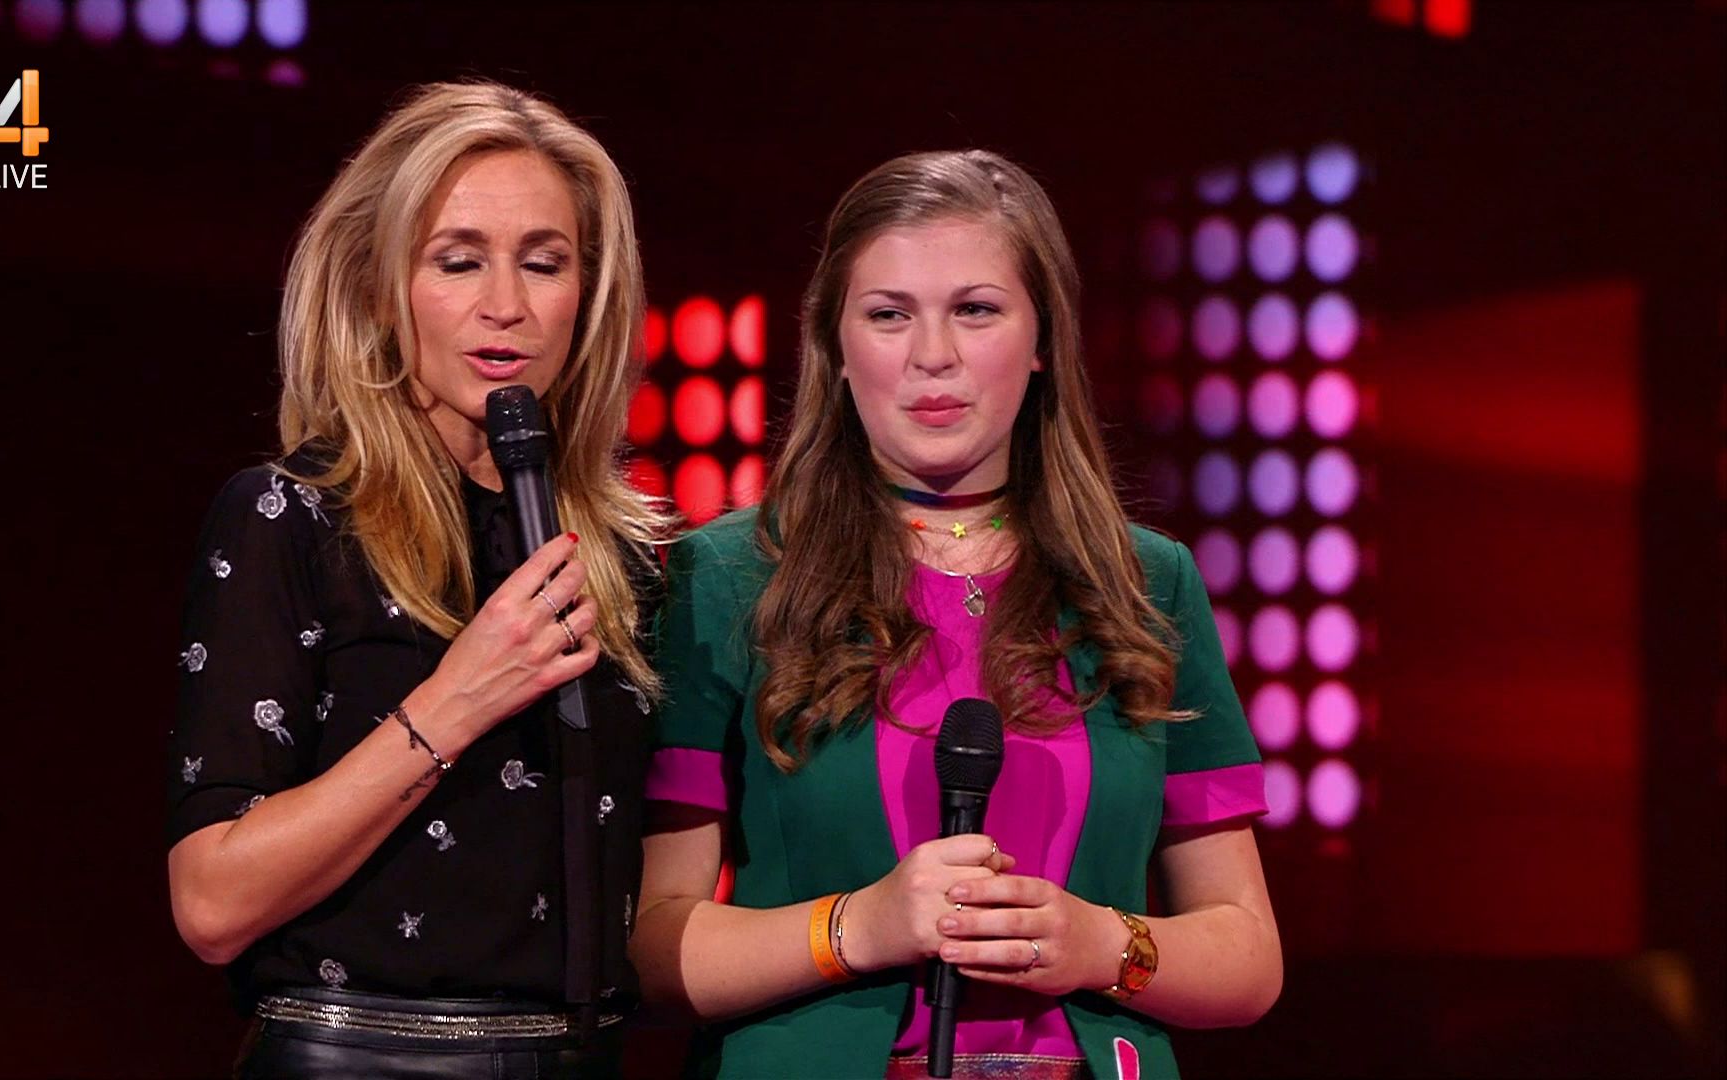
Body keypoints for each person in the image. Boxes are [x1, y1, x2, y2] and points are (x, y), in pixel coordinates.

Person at [632, 150, 1281, 1079]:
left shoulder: (1146, 582)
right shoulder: (730, 575)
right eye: (888, 314)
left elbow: (1248, 960)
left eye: (975, 310)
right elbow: (651, 947)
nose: (931, 355)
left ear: (1042, 337)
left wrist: (1101, 943)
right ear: (835, 347)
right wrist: (859, 926)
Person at [165, 81, 665, 1079]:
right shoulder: (294, 519)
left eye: (544, 262)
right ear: (379, 285)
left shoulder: (628, 559)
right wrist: (456, 699)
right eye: (458, 259)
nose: (505, 305)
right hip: (361, 1055)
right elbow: (212, 903)